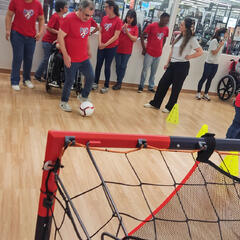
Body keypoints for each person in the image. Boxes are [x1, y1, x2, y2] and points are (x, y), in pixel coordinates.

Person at [144, 18, 203, 112]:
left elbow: (200, 52)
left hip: (182, 66)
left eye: (182, 25)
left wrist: (190, 56)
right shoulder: (178, 36)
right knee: (162, 84)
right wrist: (168, 63)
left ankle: (169, 107)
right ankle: (155, 103)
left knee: (176, 88)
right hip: (172, 64)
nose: (180, 26)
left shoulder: (192, 39)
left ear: (187, 27)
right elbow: (172, 50)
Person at [58, 0, 95, 112]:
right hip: (71, 57)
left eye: (91, 15)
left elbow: (86, 36)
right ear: (80, 10)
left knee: (90, 76)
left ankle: (83, 96)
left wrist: (88, 50)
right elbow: (60, 37)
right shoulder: (69, 19)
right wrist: (65, 55)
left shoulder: (88, 20)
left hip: (83, 57)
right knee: (70, 81)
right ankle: (63, 102)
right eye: (86, 15)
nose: (88, 18)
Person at [5, 0, 44, 91]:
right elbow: (9, 15)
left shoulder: (38, 4)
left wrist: (40, 32)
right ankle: (14, 81)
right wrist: (7, 30)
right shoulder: (15, 1)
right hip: (17, 34)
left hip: (31, 37)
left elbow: (41, 18)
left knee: (28, 59)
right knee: (18, 58)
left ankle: (26, 79)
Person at [92, 0, 122, 94]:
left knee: (107, 67)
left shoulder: (118, 20)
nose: (104, 9)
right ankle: (95, 83)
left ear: (111, 8)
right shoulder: (104, 18)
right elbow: (100, 31)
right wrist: (100, 43)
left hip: (111, 48)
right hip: (101, 46)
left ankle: (106, 85)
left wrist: (105, 44)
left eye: (106, 7)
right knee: (98, 65)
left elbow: (116, 36)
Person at [35, 0, 68, 82]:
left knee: (52, 60)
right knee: (47, 59)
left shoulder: (62, 18)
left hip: (54, 42)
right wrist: (59, 33)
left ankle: (46, 76)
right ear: (61, 9)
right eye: (66, 7)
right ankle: (37, 75)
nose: (67, 9)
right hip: (48, 41)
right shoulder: (55, 16)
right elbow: (48, 28)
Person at [138, 13, 170, 93]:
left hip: (158, 54)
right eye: (165, 20)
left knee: (153, 72)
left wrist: (161, 48)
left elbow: (165, 39)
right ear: (161, 18)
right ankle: (141, 86)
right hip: (149, 53)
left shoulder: (166, 29)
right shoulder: (152, 26)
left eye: (168, 21)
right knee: (145, 70)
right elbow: (142, 35)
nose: (166, 22)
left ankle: (151, 87)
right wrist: (144, 48)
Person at [196, 28, 228, 101]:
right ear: (222, 33)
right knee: (204, 78)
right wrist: (220, 45)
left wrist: (221, 44)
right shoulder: (214, 41)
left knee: (210, 79)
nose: (227, 34)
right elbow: (214, 52)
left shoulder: (222, 41)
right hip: (209, 63)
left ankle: (206, 94)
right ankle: (198, 93)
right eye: (226, 33)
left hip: (216, 64)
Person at [112, 9, 138, 90]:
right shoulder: (121, 24)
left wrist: (127, 31)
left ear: (134, 18)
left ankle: (119, 83)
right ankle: (118, 82)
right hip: (118, 49)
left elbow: (134, 39)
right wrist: (121, 28)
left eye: (131, 18)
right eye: (128, 17)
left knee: (123, 66)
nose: (129, 19)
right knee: (117, 66)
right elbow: (115, 34)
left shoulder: (135, 27)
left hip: (127, 51)